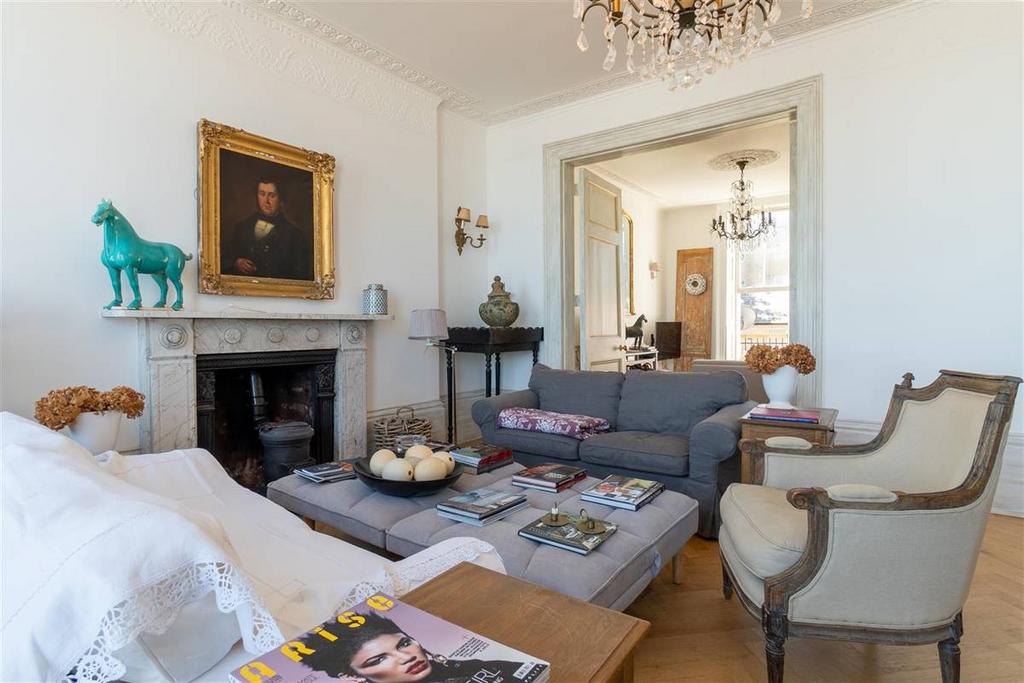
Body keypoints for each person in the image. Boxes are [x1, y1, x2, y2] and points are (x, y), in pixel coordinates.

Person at [297, 612, 528, 683]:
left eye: (404, 643)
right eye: (378, 659)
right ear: (351, 676)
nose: (406, 657)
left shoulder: (472, 669)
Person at [222, 177, 312, 280]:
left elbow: (301, 275)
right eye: (262, 194)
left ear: (281, 199)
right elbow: (224, 259)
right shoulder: (242, 227)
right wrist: (236, 262)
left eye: (272, 196)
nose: (266, 201)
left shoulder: (295, 235)